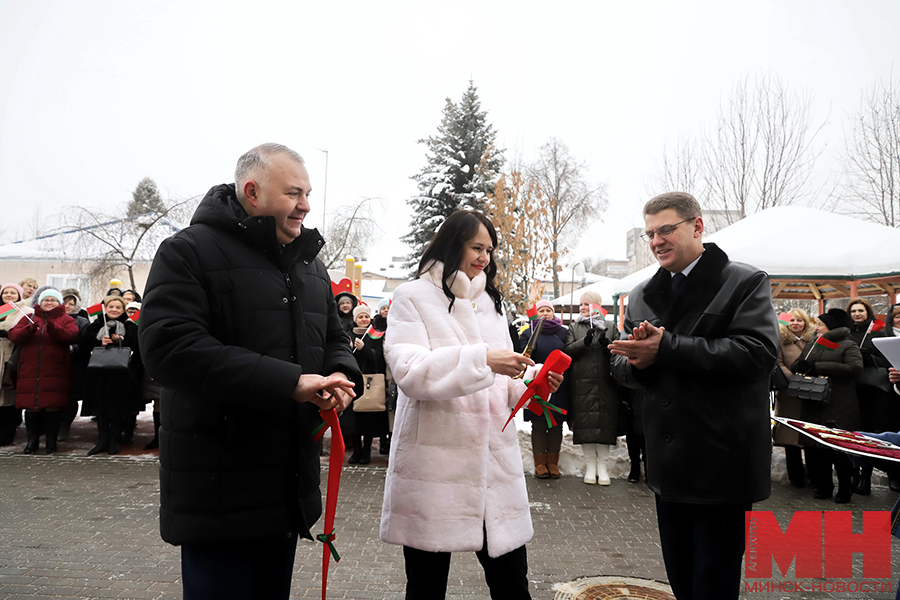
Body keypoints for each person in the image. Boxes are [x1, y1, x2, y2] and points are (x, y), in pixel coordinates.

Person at [138, 143, 362, 600]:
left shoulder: (308, 263)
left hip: (284, 487)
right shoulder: (188, 252)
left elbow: (334, 336)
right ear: (252, 191)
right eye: (293, 193)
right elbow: (170, 347)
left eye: (308, 193)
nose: (305, 205)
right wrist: (290, 383)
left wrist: (340, 374)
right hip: (219, 487)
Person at [380, 209, 562, 600]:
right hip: (435, 471)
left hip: (494, 472)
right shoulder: (411, 297)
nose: (485, 258)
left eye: (490, 250)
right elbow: (409, 373)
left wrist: (533, 382)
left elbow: (505, 378)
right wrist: (483, 359)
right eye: (477, 247)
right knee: (427, 588)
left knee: (513, 585)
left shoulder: (493, 303)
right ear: (452, 243)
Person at [609, 192, 779, 600]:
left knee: (713, 584)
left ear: (697, 226)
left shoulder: (743, 281)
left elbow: (758, 355)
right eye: (650, 233)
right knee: (682, 580)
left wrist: (666, 348)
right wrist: (637, 361)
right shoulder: (643, 294)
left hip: (722, 459)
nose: (656, 241)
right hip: (669, 463)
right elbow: (619, 364)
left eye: (666, 229)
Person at [791, 308, 863, 503]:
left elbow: (855, 367)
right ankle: (823, 486)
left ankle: (845, 488)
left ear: (831, 326)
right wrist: (798, 367)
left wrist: (819, 368)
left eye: (821, 324)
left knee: (837, 449)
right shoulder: (813, 344)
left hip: (838, 404)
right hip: (813, 403)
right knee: (815, 449)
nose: (817, 328)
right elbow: (800, 363)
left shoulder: (848, 345)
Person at [9, 289, 80, 454]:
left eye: (53, 300)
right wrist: (28, 330)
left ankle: (51, 442)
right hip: (30, 369)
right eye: (46, 300)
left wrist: (55, 329)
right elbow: (14, 335)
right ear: (39, 302)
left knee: (52, 406)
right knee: (31, 406)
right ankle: (32, 442)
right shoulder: (30, 317)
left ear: (59, 303)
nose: (49, 303)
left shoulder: (66, 319)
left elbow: (71, 336)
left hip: (55, 369)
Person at [565, 292, 620, 485]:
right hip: (582, 383)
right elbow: (568, 351)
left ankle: (603, 467)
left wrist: (608, 345)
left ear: (596, 306)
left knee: (604, 425)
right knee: (586, 425)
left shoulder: (611, 326)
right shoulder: (574, 327)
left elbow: (619, 351)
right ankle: (590, 466)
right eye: (580, 304)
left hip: (606, 382)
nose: (581, 307)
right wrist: (584, 342)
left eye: (586, 304)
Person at [81, 295, 140, 455]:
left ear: (123, 310)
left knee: (117, 408)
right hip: (99, 373)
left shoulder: (130, 326)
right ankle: (102, 441)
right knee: (101, 408)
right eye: (111, 307)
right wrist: (99, 342)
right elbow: (84, 345)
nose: (114, 310)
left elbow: (137, 346)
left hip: (122, 374)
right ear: (105, 308)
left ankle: (114, 440)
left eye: (118, 307)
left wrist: (121, 341)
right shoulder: (96, 325)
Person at [518, 300, 569, 479]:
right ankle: (540, 463)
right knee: (538, 424)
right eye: (541, 310)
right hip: (538, 384)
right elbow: (523, 355)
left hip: (558, 384)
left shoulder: (563, 332)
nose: (545, 313)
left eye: (548, 310)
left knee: (556, 424)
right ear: (536, 313)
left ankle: (553, 462)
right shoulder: (529, 332)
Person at [846, 297, 892, 495]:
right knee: (851, 431)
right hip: (850, 389)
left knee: (867, 431)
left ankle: (865, 476)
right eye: (853, 311)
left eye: (861, 310)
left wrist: (870, 357)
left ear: (868, 312)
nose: (857, 314)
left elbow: (887, 361)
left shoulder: (877, 332)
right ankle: (853, 474)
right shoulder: (846, 333)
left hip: (871, 391)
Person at [772, 308, 817, 488]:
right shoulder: (780, 341)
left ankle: (814, 475)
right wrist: (796, 380)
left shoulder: (814, 341)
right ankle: (796, 477)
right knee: (790, 436)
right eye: (792, 321)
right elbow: (779, 363)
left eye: (799, 320)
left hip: (812, 394)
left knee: (810, 436)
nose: (795, 323)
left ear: (805, 322)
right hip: (789, 393)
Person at [347, 304, 390, 464]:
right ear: (355, 319)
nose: (364, 319)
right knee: (355, 420)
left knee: (369, 420)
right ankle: (356, 451)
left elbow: (379, 357)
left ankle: (366, 451)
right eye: (360, 317)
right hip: (354, 381)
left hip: (371, 382)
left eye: (366, 316)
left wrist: (364, 349)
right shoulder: (348, 335)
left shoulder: (375, 335)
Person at [0, 283, 32, 445]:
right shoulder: (0, 310)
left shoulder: (26, 312)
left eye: (13, 292)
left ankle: (7, 434)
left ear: (19, 295)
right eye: (6, 292)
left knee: (10, 397)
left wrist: (10, 334)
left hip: (12, 358)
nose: (9, 295)